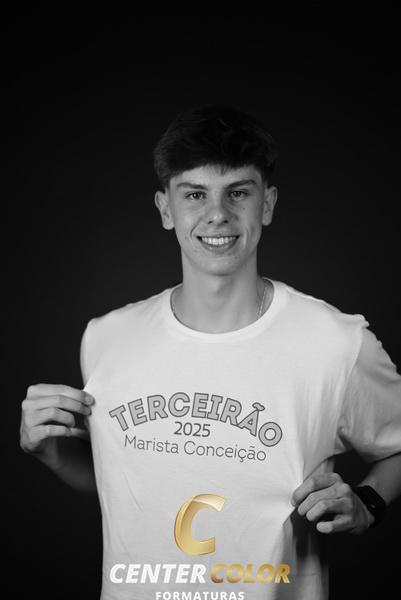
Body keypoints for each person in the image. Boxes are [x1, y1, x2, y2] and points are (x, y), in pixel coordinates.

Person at [20, 105, 401, 600]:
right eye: (195, 194)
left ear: (267, 204)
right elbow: (127, 485)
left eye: (238, 192)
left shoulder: (336, 344)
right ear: (165, 209)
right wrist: (52, 452)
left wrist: (368, 502)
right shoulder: (106, 338)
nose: (217, 214)